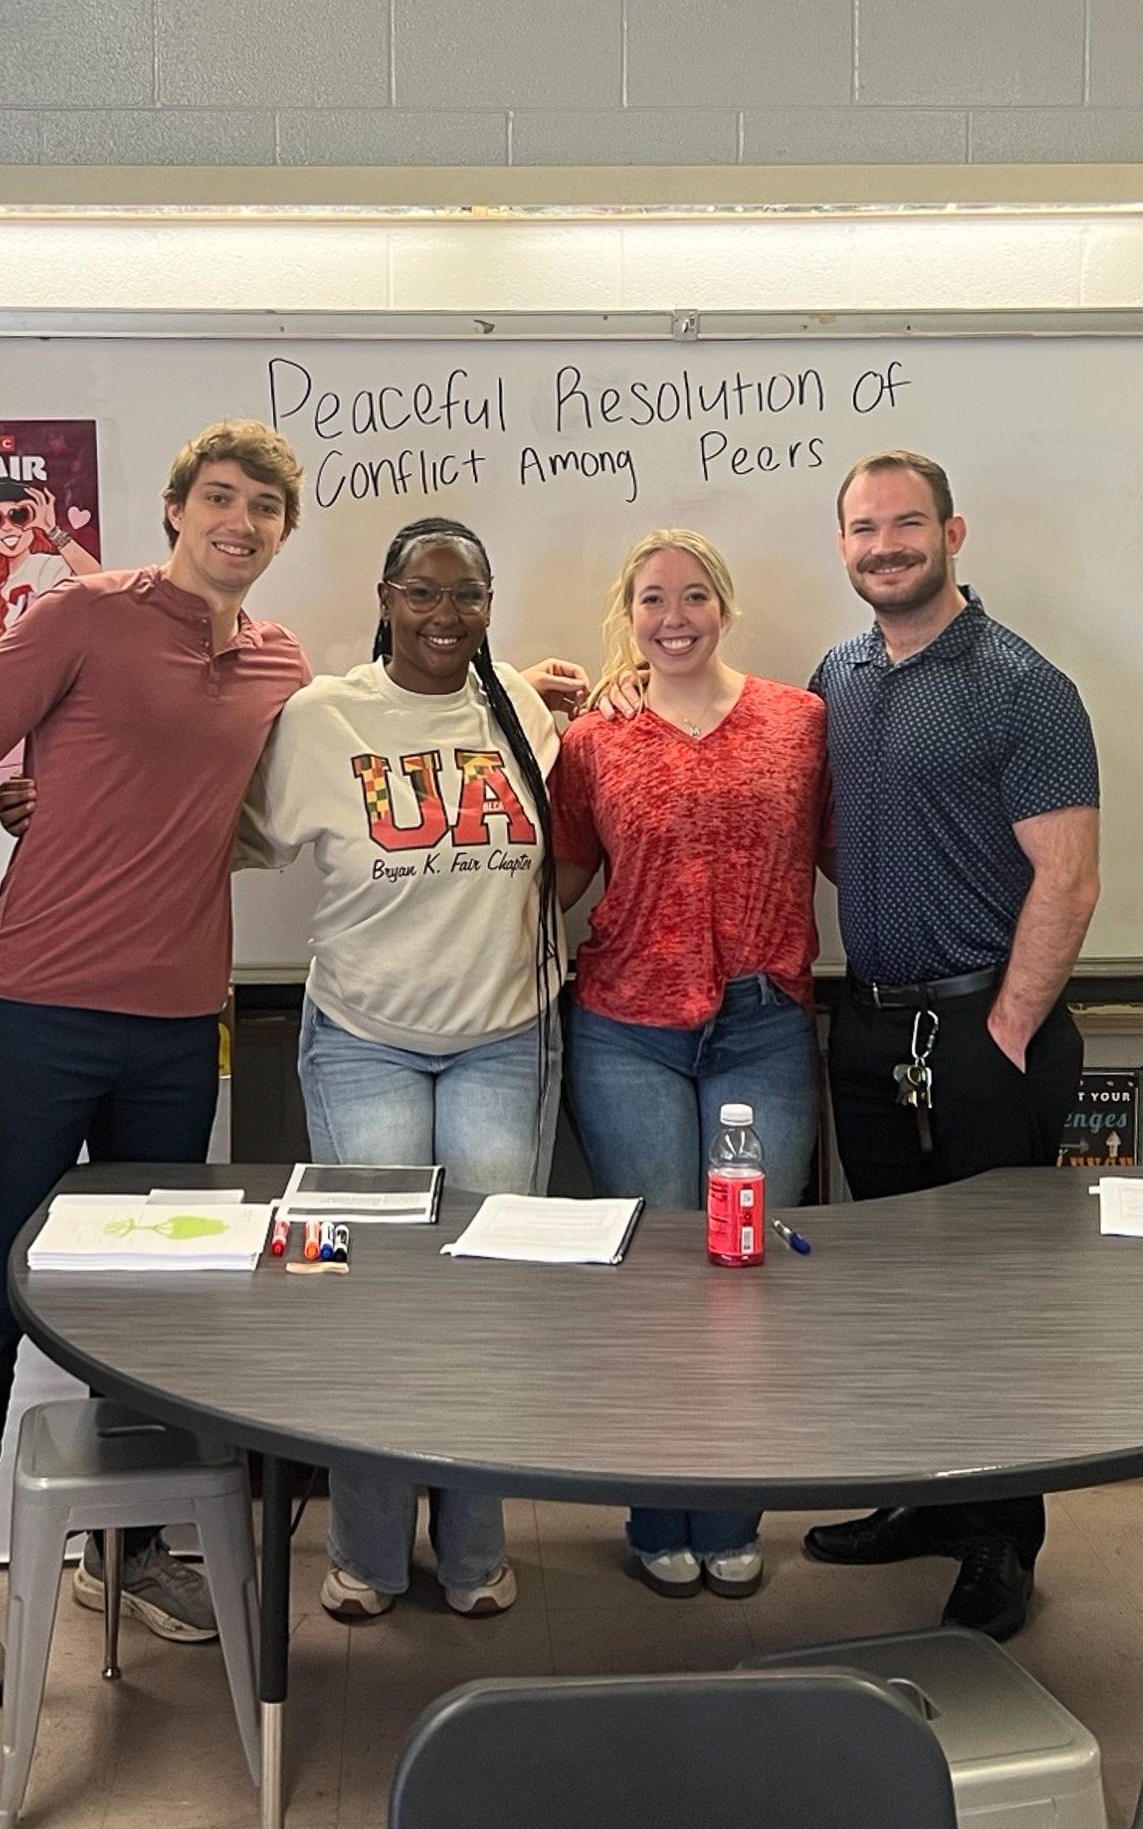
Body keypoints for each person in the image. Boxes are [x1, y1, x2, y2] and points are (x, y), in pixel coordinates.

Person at [0, 418, 312, 1708]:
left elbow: (319, 773)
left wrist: (554, 694)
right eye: (220, 497)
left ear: (285, 532)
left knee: (152, 1304)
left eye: (266, 507)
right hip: (43, 1011)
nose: (240, 521)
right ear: (177, 508)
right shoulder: (81, 615)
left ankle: (121, 1552)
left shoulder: (281, 660)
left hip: (182, 1026)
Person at [238, 515, 570, 1624]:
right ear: (384, 596)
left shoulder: (518, 703)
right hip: (363, 1039)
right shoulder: (322, 717)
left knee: (489, 1294)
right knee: (366, 1292)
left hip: (501, 1034)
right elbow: (234, 829)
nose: (445, 616)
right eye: (423, 594)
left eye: (467, 595)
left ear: (490, 601)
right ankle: (369, 1552)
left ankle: (473, 1547)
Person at [802, 449, 1100, 1640]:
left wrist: (1004, 1028)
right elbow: (849, 839)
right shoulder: (839, 673)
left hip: (991, 1030)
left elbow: (1067, 880)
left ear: (953, 531)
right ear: (843, 547)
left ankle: (1001, 1540)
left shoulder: (1022, 684)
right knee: (895, 1299)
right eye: (864, 528)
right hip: (873, 1026)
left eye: (906, 523)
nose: (885, 544)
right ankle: (927, 1494)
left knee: (995, 1304)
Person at [551, 529, 829, 1602]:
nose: (675, 615)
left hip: (762, 1022)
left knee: (745, 1276)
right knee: (661, 1279)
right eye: (653, 598)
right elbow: (562, 875)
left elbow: (851, 846)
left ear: (727, 604)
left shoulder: (799, 722)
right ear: (628, 614)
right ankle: (655, 1510)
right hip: (627, 1025)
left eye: (695, 594)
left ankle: (728, 1512)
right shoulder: (595, 739)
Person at [0, 480, 98, 663]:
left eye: (19, 516)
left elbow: (97, 578)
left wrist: (51, 529)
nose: (7, 527)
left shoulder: (49, 567)